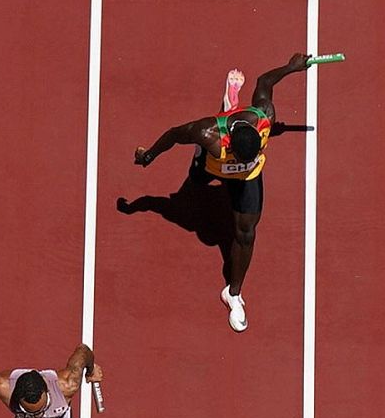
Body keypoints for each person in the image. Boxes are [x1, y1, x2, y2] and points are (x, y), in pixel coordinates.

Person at [132, 53, 311, 331]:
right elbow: (173, 134)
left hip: (249, 176)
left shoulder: (265, 116)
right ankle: (224, 112)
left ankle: (234, 293)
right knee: (196, 185)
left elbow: (265, 81)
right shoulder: (208, 134)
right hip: (213, 165)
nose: (240, 159)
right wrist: (149, 156)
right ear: (230, 145)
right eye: (238, 156)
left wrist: (291, 68)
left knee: (246, 233)